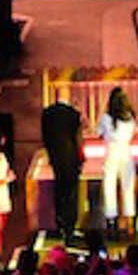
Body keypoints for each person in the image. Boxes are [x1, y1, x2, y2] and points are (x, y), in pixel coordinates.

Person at [40, 91, 85, 242]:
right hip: (71, 157)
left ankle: (59, 223)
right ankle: (70, 227)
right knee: (71, 192)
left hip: (56, 157)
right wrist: (81, 156)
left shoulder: (47, 114)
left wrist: (49, 154)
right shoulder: (73, 114)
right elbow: (78, 138)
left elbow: (45, 137)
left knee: (59, 190)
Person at [100, 88, 137, 236]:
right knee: (128, 187)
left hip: (111, 153)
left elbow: (99, 133)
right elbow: (134, 133)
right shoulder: (130, 117)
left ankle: (111, 221)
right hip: (127, 153)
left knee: (109, 187)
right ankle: (130, 222)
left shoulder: (106, 118)